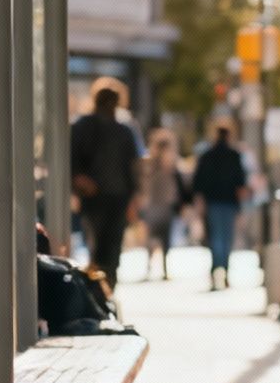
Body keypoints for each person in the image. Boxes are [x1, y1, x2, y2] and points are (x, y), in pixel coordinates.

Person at [69, 78, 142, 291]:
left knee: (97, 244)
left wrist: (79, 181)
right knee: (110, 245)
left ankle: (101, 287)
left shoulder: (83, 125)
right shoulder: (123, 130)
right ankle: (107, 286)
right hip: (114, 194)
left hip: (99, 195)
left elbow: (72, 160)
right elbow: (133, 168)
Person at [191, 124, 249, 291]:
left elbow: (198, 181)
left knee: (216, 237)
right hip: (229, 202)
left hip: (214, 201)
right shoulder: (234, 156)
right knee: (227, 238)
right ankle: (224, 270)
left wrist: (200, 201)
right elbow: (241, 182)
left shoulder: (208, 155)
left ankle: (216, 269)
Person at [137, 129, 188, 281]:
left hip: (159, 204)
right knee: (158, 238)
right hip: (158, 204)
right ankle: (155, 268)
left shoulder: (161, 162)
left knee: (157, 238)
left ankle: (156, 268)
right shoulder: (161, 162)